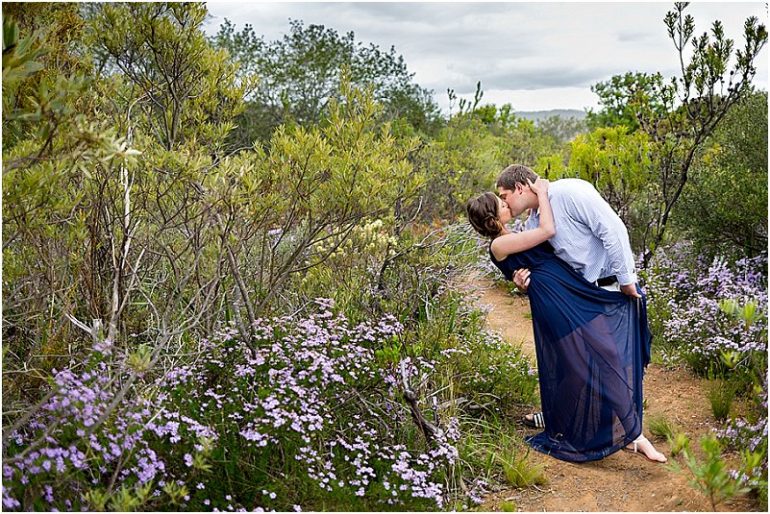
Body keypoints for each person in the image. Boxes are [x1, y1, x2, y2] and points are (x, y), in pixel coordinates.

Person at [466, 176, 666, 463]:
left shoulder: (515, 234)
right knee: (597, 357)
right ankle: (634, 435)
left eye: (504, 197)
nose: (506, 203)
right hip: (556, 300)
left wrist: (518, 279)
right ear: (492, 217)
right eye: (501, 203)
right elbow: (549, 230)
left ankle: (579, 426)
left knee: (579, 365)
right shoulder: (500, 244)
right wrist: (542, 193)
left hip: (568, 292)